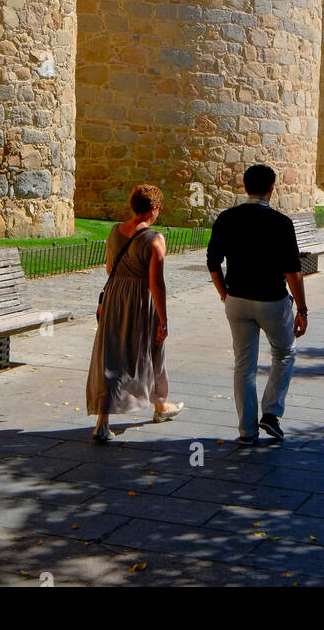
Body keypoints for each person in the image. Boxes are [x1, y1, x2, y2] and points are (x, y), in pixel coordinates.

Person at [206, 164, 307, 445]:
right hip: (272, 300)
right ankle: (272, 413)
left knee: (243, 364)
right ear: (271, 188)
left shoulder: (227, 218)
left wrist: (224, 293)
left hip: (237, 299)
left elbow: (213, 262)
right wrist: (302, 308)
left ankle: (246, 430)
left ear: (244, 186)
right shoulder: (281, 223)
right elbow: (293, 270)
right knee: (284, 352)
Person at [86, 183, 183, 442]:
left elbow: (109, 268)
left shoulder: (115, 231)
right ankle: (160, 403)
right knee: (154, 348)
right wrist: (163, 319)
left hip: (115, 297)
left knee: (113, 356)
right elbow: (156, 283)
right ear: (154, 210)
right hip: (141, 299)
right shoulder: (155, 239)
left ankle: (103, 421)